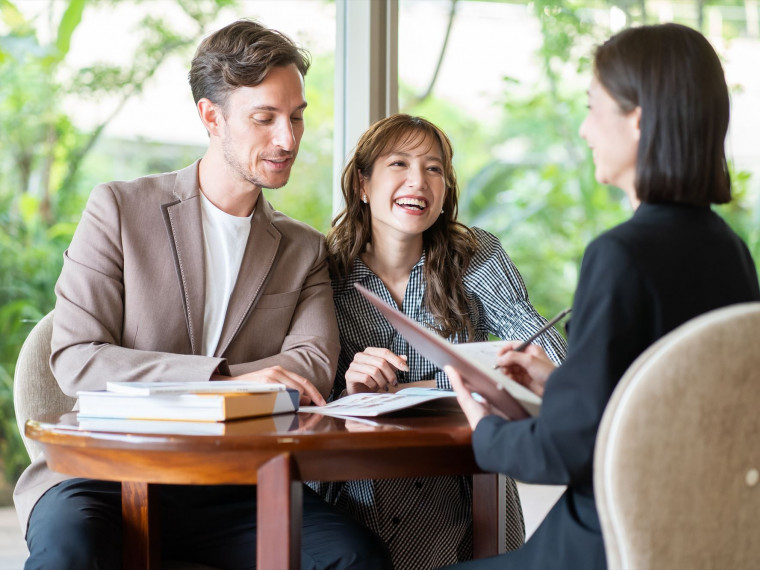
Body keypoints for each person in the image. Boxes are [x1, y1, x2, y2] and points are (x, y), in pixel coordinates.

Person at [14, 19, 391, 570]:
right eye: (264, 118)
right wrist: (228, 378)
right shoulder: (118, 209)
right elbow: (76, 357)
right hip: (105, 476)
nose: (287, 139)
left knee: (355, 557)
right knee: (69, 556)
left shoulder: (303, 247)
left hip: (238, 484)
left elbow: (309, 367)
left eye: (296, 117)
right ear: (211, 117)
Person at [444, 23, 760, 570]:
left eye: (593, 107)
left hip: (609, 544)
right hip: (696, 541)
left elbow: (563, 451)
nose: (587, 130)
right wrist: (560, 383)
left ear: (637, 119)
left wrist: (485, 428)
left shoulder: (620, 254)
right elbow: (667, 400)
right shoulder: (730, 251)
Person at [313, 113, 568, 569]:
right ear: (362, 184)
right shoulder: (322, 269)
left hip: (464, 489)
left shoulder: (476, 254)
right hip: (353, 493)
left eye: (434, 169)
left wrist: (431, 388)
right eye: (399, 164)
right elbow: (305, 394)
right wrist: (347, 390)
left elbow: (546, 355)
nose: (419, 181)